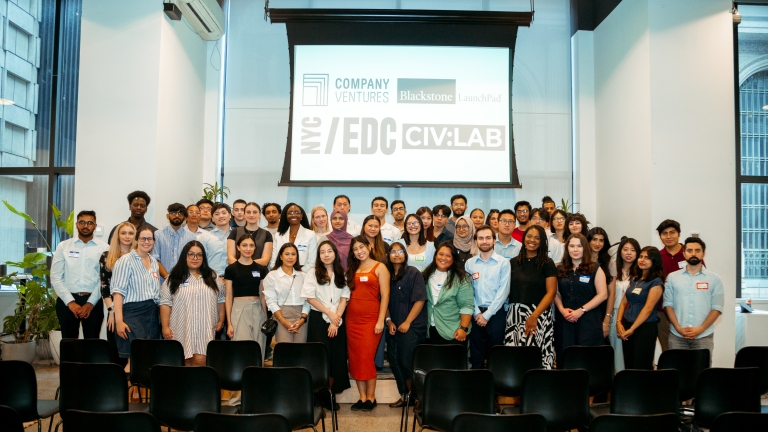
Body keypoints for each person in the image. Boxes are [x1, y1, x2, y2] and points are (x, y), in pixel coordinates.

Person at [301, 240, 352, 402]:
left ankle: (332, 397)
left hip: (338, 320)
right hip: (319, 320)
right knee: (321, 357)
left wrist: (335, 320)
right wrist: (330, 314)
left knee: (337, 357)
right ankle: (319, 397)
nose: (326, 255)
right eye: (322, 252)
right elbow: (310, 297)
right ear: (319, 255)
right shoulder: (312, 273)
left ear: (335, 253)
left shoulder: (341, 273)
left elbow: (344, 297)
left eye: (329, 251)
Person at [160, 241, 225, 365]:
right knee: (183, 362)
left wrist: (221, 320)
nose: (195, 258)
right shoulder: (173, 278)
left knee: (201, 361)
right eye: (191, 254)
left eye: (199, 255)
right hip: (181, 329)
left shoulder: (213, 277)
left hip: (205, 329)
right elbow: (165, 302)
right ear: (185, 256)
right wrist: (165, 327)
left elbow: (221, 299)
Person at [346, 236, 391, 412]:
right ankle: (362, 397)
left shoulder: (380, 267)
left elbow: (386, 296)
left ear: (369, 247)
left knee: (366, 358)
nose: (359, 251)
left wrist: (381, 320)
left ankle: (371, 398)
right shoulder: (352, 268)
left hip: (371, 319)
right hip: (352, 320)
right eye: (355, 249)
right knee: (355, 358)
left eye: (362, 247)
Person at [505, 225, 558, 369]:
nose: (532, 240)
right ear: (523, 238)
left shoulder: (548, 263)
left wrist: (534, 316)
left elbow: (551, 293)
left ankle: (539, 389)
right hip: (515, 316)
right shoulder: (513, 263)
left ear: (542, 241)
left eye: (537, 238)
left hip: (538, 315)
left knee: (537, 357)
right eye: (529, 236)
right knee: (516, 358)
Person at [663, 237, 723, 362]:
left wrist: (700, 329)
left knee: (701, 373)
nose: (694, 254)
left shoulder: (715, 279)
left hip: (703, 336)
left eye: (698, 250)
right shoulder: (672, 277)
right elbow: (668, 305)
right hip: (677, 336)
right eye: (690, 250)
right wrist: (679, 328)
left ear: (703, 253)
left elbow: (717, 308)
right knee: (676, 372)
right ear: (684, 253)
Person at [51, 210, 109, 339]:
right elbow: (55, 277)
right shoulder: (63, 246)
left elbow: (104, 279)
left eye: (89, 223)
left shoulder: (105, 248)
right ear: (76, 224)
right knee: (69, 343)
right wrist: (70, 302)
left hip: (93, 301)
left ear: (95, 225)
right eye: (82, 222)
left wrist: (90, 303)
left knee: (92, 343)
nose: (85, 226)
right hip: (67, 301)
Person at [111, 226, 161, 371]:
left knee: (147, 359)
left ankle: (137, 394)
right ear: (137, 240)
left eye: (149, 239)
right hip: (132, 314)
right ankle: (124, 393)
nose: (146, 242)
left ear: (153, 241)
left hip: (151, 314)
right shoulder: (125, 261)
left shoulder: (154, 262)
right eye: (143, 238)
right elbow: (117, 293)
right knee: (134, 361)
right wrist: (119, 321)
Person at [385, 242, 427, 408]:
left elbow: (420, 300)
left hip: (412, 326)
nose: (396, 254)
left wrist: (407, 322)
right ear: (388, 255)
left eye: (400, 251)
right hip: (393, 326)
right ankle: (405, 395)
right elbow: (384, 301)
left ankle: (418, 398)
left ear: (405, 254)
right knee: (394, 361)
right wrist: (388, 321)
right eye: (393, 251)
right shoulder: (387, 275)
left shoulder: (413, 273)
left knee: (406, 361)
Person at [554, 233, 608, 358]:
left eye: (579, 246)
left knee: (588, 357)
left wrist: (581, 310)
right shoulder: (560, 268)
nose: (575, 249)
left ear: (585, 248)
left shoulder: (595, 268)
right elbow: (555, 293)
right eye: (572, 246)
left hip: (589, 319)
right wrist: (562, 309)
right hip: (565, 319)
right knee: (566, 356)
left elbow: (603, 295)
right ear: (567, 248)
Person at [465, 225, 510, 369]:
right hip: (475, 315)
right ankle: (477, 390)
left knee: (495, 356)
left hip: (496, 315)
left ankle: (494, 390)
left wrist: (487, 314)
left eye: (488, 238)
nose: (484, 241)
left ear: (494, 240)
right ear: (476, 241)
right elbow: (467, 291)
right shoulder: (469, 263)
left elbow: (503, 291)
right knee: (476, 356)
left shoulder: (503, 263)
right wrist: (477, 313)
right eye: (481, 238)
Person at [616, 246, 664, 370]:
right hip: (628, 326)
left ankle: (643, 390)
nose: (642, 260)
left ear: (655, 261)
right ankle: (630, 389)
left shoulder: (656, 282)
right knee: (629, 363)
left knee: (641, 365)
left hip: (645, 328)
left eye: (647, 258)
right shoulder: (635, 279)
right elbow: (623, 303)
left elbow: (648, 309)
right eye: (641, 257)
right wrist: (619, 322)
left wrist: (632, 329)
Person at [224, 235, 269, 360]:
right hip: (239, 309)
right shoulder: (231, 269)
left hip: (257, 309)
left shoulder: (261, 269)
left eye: (251, 245)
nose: (248, 248)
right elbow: (228, 296)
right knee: (242, 349)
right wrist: (229, 323)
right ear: (238, 247)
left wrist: (265, 317)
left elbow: (262, 295)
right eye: (244, 245)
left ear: (255, 248)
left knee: (259, 349)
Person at [423, 242, 475, 347]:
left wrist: (463, 328)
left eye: (448, 256)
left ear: (454, 259)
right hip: (429, 329)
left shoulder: (461, 277)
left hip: (453, 330)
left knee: (452, 363)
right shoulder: (425, 274)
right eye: (441, 254)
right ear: (435, 255)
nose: (443, 258)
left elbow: (467, 306)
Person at [100, 222, 135, 367]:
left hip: (134, 309)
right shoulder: (107, 256)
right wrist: (112, 311)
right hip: (114, 309)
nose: (127, 236)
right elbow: (104, 286)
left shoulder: (139, 255)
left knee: (133, 353)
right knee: (116, 352)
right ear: (117, 236)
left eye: (130, 233)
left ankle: (133, 388)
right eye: (123, 233)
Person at [263, 243, 309, 343]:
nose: (290, 257)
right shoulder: (272, 276)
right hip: (281, 315)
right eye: (287, 254)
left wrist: (302, 319)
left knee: (300, 351)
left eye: (293, 254)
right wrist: (284, 322)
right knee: (284, 351)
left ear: (297, 257)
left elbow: (308, 300)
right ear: (281, 256)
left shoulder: (303, 276)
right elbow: (271, 302)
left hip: (301, 316)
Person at [608, 237, 641, 372]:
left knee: (632, 351)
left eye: (633, 250)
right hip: (614, 312)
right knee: (615, 350)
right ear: (620, 251)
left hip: (633, 314)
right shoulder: (612, 267)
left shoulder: (641, 271)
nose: (629, 253)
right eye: (625, 249)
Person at [656, 219, 685, 353]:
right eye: (664, 233)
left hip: (686, 310)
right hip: (662, 311)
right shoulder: (657, 256)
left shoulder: (689, 254)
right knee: (668, 351)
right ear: (660, 236)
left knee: (689, 351)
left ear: (679, 234)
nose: (668, 236)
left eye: (672, 232)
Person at [153, 203, 197, 278]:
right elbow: (154, 259)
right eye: (173, 212)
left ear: (185, 218)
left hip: (185, 280)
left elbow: (193, 260)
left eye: (180, 213)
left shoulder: (191, 237)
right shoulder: (158, 235)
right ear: (167, 216)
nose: (177, 215)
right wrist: (166, 276)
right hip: (162, 281)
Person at [588, 227, 617, 340]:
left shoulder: (610, 262)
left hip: (601, 309)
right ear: (588, 241)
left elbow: (612, 293)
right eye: (594, 239)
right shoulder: (581, 260)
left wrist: (607, 319)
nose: (597, 243)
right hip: (583, 307)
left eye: (601, 240)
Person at [270, 203, 317, 271]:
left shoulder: (310, 234)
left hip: (303, 275)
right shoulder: (278, 235)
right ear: (286, 216)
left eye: (297, 212)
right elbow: (273, 261)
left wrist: (297, 274)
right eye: (290, 212)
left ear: (301, 216)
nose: (293, 215)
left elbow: (312, 263)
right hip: (280, 276)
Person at [184, 204, 227, 276]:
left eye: (197, 213)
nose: (194, 215)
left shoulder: (235, 234)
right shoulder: (206, 236)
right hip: (209, 276)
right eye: (191, 212)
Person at [227, 202, 273, 267]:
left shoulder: (266, 234)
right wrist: (246, 264)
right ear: (244, 214)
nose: (251, 215)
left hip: (259, 272)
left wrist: (245, 263)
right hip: (237, 272)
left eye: (255, 212)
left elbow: (265, 261)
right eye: (248, 212)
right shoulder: (235, 232)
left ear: (260, 214)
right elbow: (231, 259)